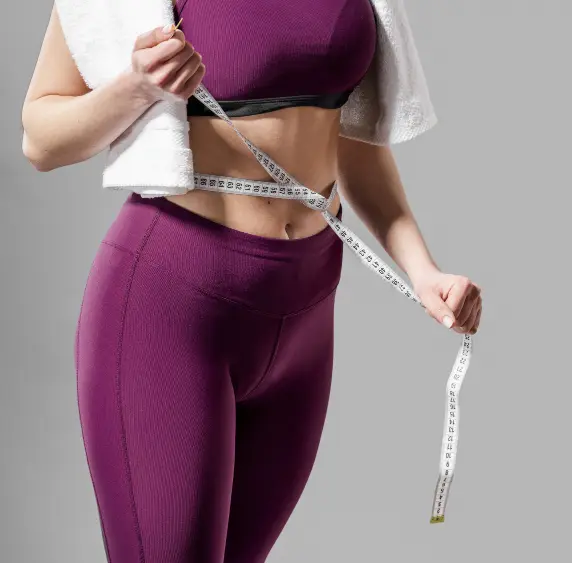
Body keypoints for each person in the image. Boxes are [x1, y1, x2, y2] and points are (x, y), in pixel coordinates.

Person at [20, 0, 482, 560]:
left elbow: (348, 136)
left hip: (306, 310)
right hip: (173, 305)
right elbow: (40, 139)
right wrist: (137, 88)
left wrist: (423, 269)